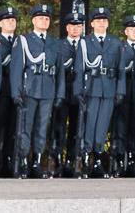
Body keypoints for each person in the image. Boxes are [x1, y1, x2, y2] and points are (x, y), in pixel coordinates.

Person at [73, 7, 124, 178]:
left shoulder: (115, 42)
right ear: (92, 23)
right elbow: (79, 69)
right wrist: (78, 90)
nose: (102, 23)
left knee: (102, 126)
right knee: (89, 124)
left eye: (104, 20)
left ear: (108, 23)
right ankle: (86, 158)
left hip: (109, 88)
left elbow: (120, 69)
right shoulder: (85, 42)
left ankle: (98, 159)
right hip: (91, 88)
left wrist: (120, 90)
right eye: (98, 20)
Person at [11, 5, 61, 178]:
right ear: (33, 20)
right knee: (25, 127)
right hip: (29, 89)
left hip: (48, 90)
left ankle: (37, 162)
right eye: (40, 18)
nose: (44, 21)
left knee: (41, 128)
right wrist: (16, 92)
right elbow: (17, 69)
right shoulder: (24, 40)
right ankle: (23, 161)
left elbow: (60, 71)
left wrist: (60, 93)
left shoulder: (55, 42)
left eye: (47, 18)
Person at [112, 14, 135, 176]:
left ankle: (133, 161)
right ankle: (119, 161)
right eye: (131, 29)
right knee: (120, 127)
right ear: (126, 31)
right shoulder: (120, 48)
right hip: (123, 89)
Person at [51, 12, 85, 177]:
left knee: (76, 129)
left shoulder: (86, 45)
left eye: (79, 26)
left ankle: (71, 161)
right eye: (72, 26)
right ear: (67, 28)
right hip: (62, 91)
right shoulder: (58, 45)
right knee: (59, 128)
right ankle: (57, 161)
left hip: (79, 93)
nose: (76, 29)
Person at [0, 6, 20, 175]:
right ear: (0, 23)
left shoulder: (20, 42)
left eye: (13, 20)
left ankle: (9, 162)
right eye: (7, 20)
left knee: (13, 127)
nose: (11, 22)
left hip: (16, 90)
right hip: (0, 90)